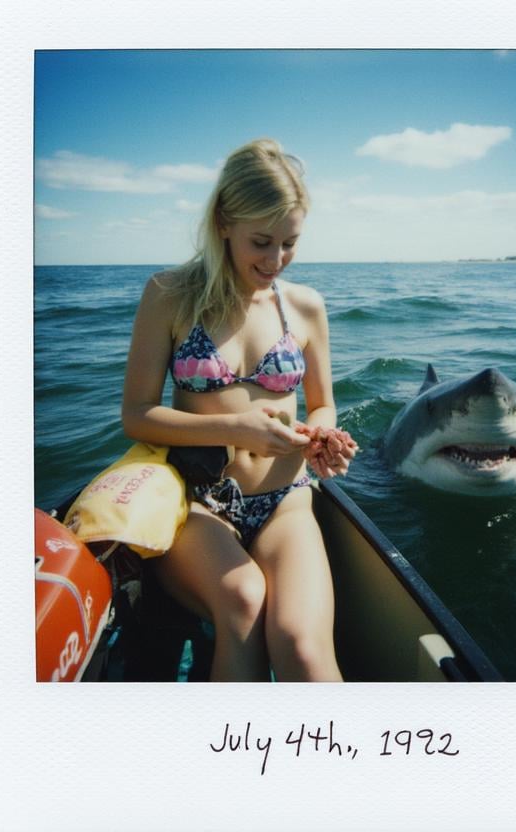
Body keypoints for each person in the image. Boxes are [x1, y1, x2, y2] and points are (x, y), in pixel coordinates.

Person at [122, 139, 357, 681]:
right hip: (197, 504)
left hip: (287, 501)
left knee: (300, 642)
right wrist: (234, 426)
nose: (275, 261)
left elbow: (322, 404)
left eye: (290, 244)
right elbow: (136, 414)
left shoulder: (306, 307)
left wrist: (322, 436)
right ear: (224, 221)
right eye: (261, 242)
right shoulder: (168, 295)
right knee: (244, 602)